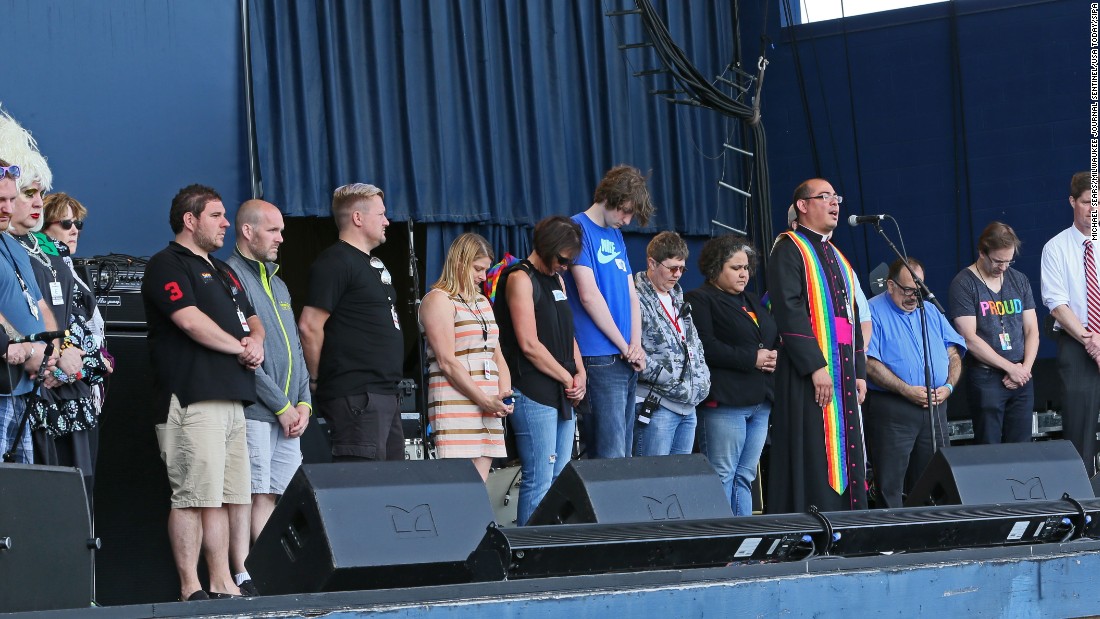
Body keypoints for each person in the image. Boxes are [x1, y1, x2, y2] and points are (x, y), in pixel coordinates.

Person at [142, 184, 264, 601]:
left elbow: (253, 318)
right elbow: (190, 321)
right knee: (193, 496)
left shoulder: (225, 270)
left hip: (233, 398)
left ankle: (222, 582)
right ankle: (190, 588)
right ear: (190, 220)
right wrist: (241, 347)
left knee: (228, 499)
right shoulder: (166, 264)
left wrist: (257, 342)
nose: (226, 223)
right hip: (192, 397)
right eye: (217, 215)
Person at [766, 178, 868, 513]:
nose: (834, 203)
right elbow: (788, 311)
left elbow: (848, 321)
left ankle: (847, 526)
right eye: (824, 197)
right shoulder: (789, 248)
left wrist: (858, 371)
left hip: (840, 373)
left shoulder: (835, 254)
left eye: (836, 196)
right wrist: (816, 366)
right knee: (813, 449)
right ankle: (814, 529)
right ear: (802, 206)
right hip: (807, 374)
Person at [225, 199, 310, 596]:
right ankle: (246, 574)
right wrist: (281, 406)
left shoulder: (279, 283)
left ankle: (269, 572)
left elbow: (296, 348)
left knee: (274, 494)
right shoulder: (229, 276)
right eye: (273, 230)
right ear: (248, 231)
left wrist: (305, 403)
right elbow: (244, 355)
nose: (281, 238)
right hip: (259, 412)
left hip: (290, 414)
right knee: (252, 491)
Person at [299, 183, 405, 462]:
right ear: (358, 218)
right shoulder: (335, 261)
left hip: (384, 393)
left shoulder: (368, 264)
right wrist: (315, 379)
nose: (387, 221)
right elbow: (310, 325)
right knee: (364, 485)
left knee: (393, 489)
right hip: (358, 394)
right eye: (381, 214)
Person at [495, 216, 586, 525]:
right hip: (533, 388)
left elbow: (568, 333)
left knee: (560, 477)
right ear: (547, 248)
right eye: (563, 258)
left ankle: (550, 547)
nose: (566, 265)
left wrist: (581, 375)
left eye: (571, 261)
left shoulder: (557, 280)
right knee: (539, 476)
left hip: (562, 387)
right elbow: (528, 344)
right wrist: (567, 378)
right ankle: (529, 553)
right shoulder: (520, 277)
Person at [564, 164, 654, 459]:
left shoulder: (615, 235)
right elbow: (589, 296)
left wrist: (636, 344)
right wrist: (625, 345)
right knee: (609, 455)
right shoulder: (577, 229)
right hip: (599, 355)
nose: (627, 220)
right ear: (609, 198)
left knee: (622, 454)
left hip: (624, 355)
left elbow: (631, 294)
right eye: (624, 211)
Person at [687, 234, 778, 516]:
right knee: (723, 475)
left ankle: (744, 546)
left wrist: (771, 356)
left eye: (746, 267)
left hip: (759, 401)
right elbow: (706, 348)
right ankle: (725, 547)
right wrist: (753, 358)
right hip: (725, 402)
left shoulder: (752, 300)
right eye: (735, 267)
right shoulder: (700, 299)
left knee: (746, 476)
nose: (743, 273)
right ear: (715, 268)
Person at [865, 258, 965, 508]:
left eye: (919, 288)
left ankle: (935, 534)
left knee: (938, 478)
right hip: (894, 408)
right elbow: (868, 363)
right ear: (890, 285)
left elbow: (953, 354)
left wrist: (949, 386)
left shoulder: (929, 310)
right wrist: (906, 390)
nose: (914, 296)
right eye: (908, 289)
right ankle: (892, 538)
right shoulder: (871, 311)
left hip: (935, 407)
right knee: (891, 483)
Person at [420, 233, 513, 481]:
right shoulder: (438, 299)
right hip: (456, 400)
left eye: (485, 269)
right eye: (478, 269)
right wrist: (484, 399)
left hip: (488, 402)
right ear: (459, 262)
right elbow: (447, 362)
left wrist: (504, 394)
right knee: (459, 485)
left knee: (479, 486)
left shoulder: (482, 301)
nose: (483, 276)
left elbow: (498, 354)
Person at [949, 222, 1038, 445]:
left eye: (1009, 261)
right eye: (998, 261)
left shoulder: (1019, 280)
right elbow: (969, 338)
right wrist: (1010, 369)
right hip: (986, 377)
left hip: (1021, 375)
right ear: (982, 252)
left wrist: (1024, 369)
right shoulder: (964, 283)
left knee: (1022, 447)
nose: (1003, 267)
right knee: (989, 448)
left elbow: (1032, 330)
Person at [1041, 171, 1100, 474]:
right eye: (1087, 202)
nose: (1094, 209)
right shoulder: (1055, 248)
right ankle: (1085, 511)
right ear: (1072, 202)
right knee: (1080, 434)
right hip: (1077, 347)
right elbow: (1057, 305)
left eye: (1099, 203)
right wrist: (1091, 340)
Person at [632, 231, 709, 457]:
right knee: (651, 482)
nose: (677, 275)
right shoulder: (634, 297)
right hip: (657, 404)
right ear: (652, 263)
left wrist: (702, 380)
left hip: (688, 405)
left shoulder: (678, 297)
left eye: (682, 269)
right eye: (672, 268)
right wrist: (674, 384)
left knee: (678, 485)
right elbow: (634, 353)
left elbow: (695, 345)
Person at [0, 160, 55, 463]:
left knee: (17, 496)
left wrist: (50, 352)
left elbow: (41, 304)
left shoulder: (13, 245)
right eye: (0, 200)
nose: (7, 208)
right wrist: (21, 344)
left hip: (21, 387)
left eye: (11, 199)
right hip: (3, 381)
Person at [42, 193, 114, 420]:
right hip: (55, 397)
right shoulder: (44, 270)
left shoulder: (72, 272)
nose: (75, 230)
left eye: (77, 223)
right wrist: (69, 370)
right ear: (42, 228)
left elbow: (96, 347)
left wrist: (97, 361)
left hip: (79, 391)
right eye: (66, 223)